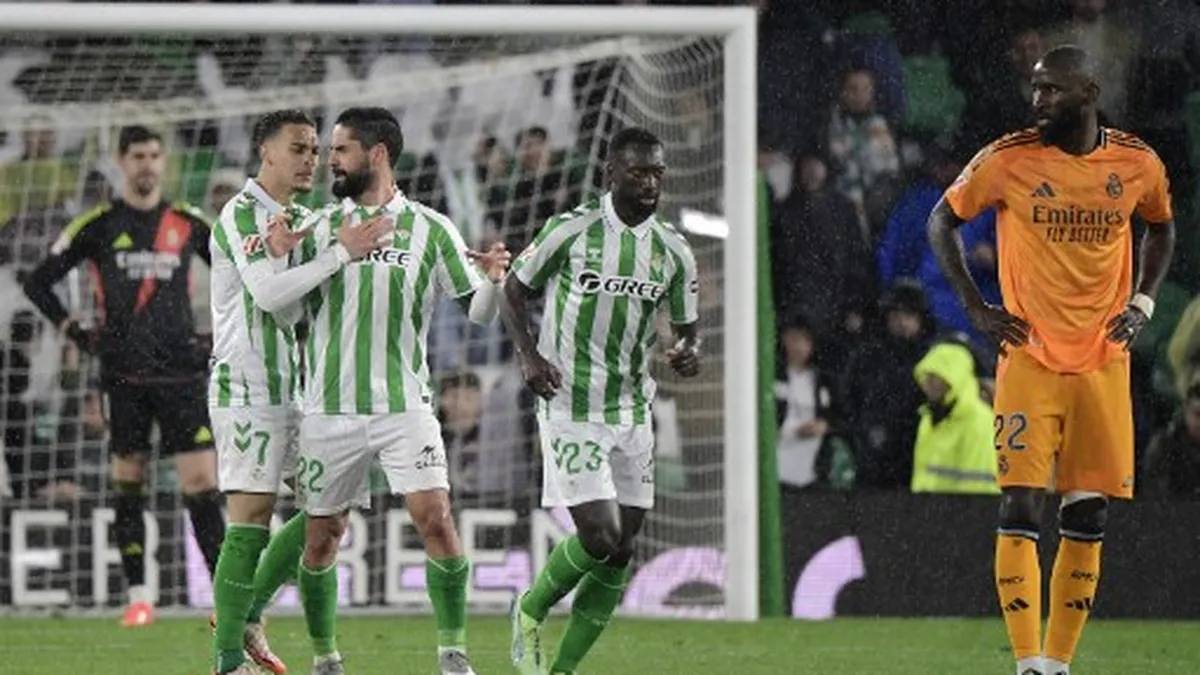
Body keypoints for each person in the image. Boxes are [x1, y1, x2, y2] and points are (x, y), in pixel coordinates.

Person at [927, 45, 1175, 675]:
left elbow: (1162, 225)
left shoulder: (1137, 163)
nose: (1038, 100)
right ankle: (1027, 662)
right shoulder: (1008, 159)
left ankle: (1058, 664)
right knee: (1020, 506)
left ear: (1089, 93)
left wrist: (1143, 302)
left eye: (1052, 89)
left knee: (1087, 513)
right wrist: (976, 307)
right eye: (1035, 88)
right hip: (1030, 359)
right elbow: (941, 220)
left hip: (1102, 362)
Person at [287, 107, 508, 675]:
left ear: (377, 153)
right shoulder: (318, 227)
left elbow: (479, 314)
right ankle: (325, 657)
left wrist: (494, 282)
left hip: (404, 405)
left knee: (436, 519)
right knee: (322, 538)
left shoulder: (431, 228)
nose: (331, 161)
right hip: (328, 408)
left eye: (341, 150)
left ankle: (453, 654)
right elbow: (281, 301)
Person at [502, 127, 701, 675]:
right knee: (600, 535)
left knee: (621, 550)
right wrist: (529, 357)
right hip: (570, 404)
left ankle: (562, 670)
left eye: (657, 172)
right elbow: (514, 289)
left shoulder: (674, 251)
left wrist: (688, 352)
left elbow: (688, 331)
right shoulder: (572, 230)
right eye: (638, 172)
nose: (650, 182)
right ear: (611, 174)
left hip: (632, 410)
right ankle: (530, 609)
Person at [206, 109, 390, 675]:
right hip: (245, 386)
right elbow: (266, 295)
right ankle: (228, 661)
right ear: (265, 151)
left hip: (296, 389)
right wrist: (337, 254)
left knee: (329, 511)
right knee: (251, 516)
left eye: (315, 150)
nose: (311, 160)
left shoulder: (302, 219)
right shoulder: (241, 213)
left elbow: (296, 306)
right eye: (299, 148)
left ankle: (249, 613)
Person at [22, 125, 225, 627]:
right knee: (129, 478)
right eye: (138, 156)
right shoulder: (99, 224)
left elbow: (238, 276)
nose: (148, 164)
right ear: (120, 161)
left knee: (202, 483)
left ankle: (226, 598)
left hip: (181, 373)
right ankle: (139, 597)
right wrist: (74, 330)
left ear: (164, 161)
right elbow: (38, 282)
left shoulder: (188, 222)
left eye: (155, 155)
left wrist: (218, 336)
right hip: (124, 375)